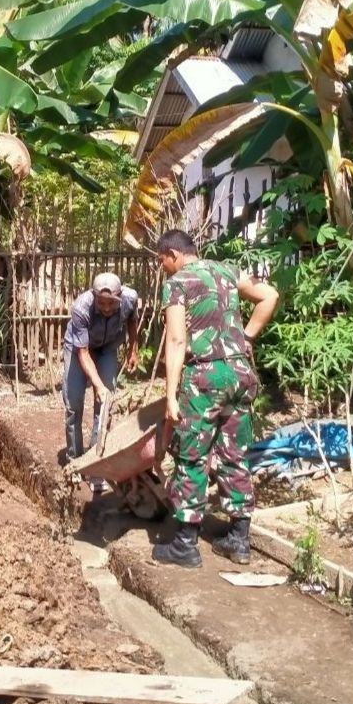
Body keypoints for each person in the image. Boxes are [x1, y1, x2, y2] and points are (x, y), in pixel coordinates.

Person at [151, 229, 279, 568]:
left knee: (192, 455)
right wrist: (246, 337)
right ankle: (238, 540)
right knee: (234, 454)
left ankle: (184, 544)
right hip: (240, 375)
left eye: (162, 261)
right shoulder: (227, 271)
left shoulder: (178, 282)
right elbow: (270, 296)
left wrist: (171, 396)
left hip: (205, 378)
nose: (163, 267)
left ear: (173, 255)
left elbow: (177, 341)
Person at [62, 271, 140, 463]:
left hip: (108, 347)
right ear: (94, 296)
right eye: (101, 303)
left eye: (111, 303)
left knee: (105, 403)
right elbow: (83, 353)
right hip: (79, 348)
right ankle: (75, 459)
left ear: (120, 296)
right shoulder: (81, 308)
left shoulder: (130, 298)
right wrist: (97, 384)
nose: (106, 308)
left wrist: (133, 349)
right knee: (73, 403)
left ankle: (96, 460)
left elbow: (132, 319)